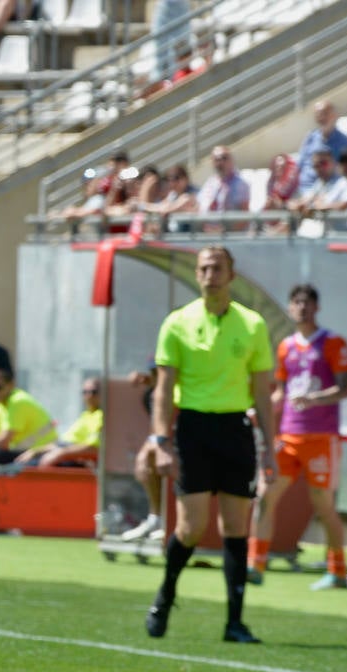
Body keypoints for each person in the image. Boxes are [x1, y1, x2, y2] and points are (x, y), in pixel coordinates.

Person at [144, 245, 275, 643]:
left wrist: (270, 446)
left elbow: (263, 394)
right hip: (194, 431)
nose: (209, 275)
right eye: (203, 268)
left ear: (231, 275)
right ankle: (165, 596)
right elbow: (163, 391)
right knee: (191, 527)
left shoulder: (252, 325)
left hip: (236, 430)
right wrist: (161, 442)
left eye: (217, 268)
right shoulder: (177, 323)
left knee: (236, 526)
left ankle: (234, 622)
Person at [248, 284, 347, 590]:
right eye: (296, 303)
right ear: (290, 308)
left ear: (316, 308)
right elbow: (281, 392)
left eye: (307, 303)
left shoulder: (333, 343)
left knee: (323, 503)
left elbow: (344, 389)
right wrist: (262, 409)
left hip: (321, 438)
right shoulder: (285, 346)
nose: (301, 308)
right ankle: (255, 565)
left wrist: (314, 398)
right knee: (265, 495)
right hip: (289, 436)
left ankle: (338, 571)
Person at [121, 364, 166, 541]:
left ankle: (167, 520)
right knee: (148, 464)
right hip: (164, 442)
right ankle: (157, 518)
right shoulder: (152, 394)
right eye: (154, 372)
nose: (158, 376)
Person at [15, 377, 102, 467]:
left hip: (75, 459)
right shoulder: (86, 415)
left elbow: (93, 448)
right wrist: (35, 451)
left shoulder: (104, 417)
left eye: (93, 392)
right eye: (85, 392)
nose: (89, 396)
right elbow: (63, 443)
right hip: (63, 451)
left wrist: (60, 454)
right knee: (18, 464)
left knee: (23, 468)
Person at [295, 100, 347, 198]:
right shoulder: (310, 138)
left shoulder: (345, 141)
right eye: (317, 114)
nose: (321, 117)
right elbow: (299, 166)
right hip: (305, 189)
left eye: (324, 113)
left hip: (331, 191)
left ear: (334, 116)